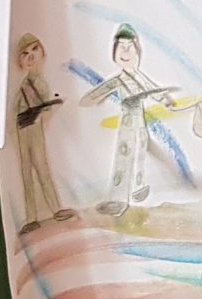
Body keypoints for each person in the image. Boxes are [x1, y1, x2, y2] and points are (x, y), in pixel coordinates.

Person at [81, 25, 176, 217]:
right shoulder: (118, 79)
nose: (125, 52)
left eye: (129, 47)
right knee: (124, 158)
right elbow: (95, 94)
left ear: (138, 51)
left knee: (140, 153)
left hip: (139, 121)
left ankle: (137, 189)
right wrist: (92, 100)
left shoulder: (140, 78)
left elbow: (154, 90)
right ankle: (118, 199)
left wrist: (166, 101)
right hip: (127, 121)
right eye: (120, 47)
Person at [12, 33, 66, 232]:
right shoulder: (28, 84)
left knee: (40, 168)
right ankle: (33, 216)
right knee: (29, 170)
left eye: (35, 49)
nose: (31, 56)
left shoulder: (39, 82)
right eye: (25, 53)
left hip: (32, 128)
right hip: (25, 129)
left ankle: (53, 209)